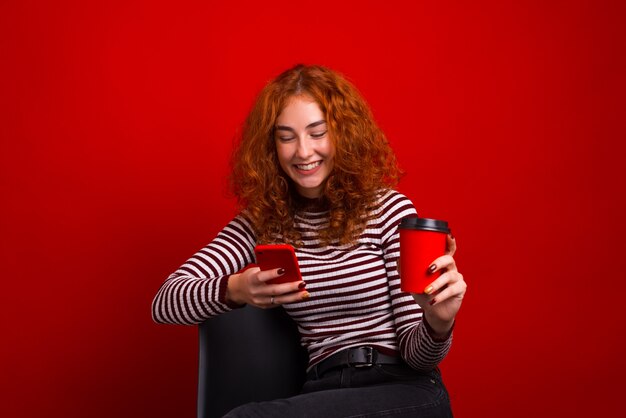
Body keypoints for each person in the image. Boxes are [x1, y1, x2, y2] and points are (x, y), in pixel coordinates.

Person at [152, 64, 467, 417]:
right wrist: (236, 289)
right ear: (271, 147)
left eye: (318, 133)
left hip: (402, 389)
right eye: (286, 137)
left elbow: (418, 356)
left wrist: (438, 322)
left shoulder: (388, 209)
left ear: (343, 135)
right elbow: (165, 303)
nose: (303, 152)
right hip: (321, 391)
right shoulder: (262, 222)